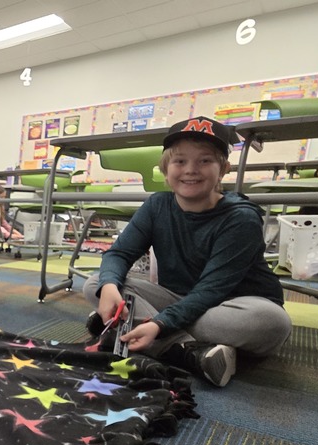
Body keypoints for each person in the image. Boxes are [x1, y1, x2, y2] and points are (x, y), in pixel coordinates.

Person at [82, 116, 292, 387]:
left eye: (205, 161)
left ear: (224, 168)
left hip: (234, 304)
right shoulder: (157, 205)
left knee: (271, 323)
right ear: (166, 169)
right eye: (180, 161)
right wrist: (110, 286)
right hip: (179, 298)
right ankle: (188, 351)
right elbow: (119, 254)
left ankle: (133, 331)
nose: (191, 170)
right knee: (96, 283)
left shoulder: (240, 218)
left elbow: (211, 290)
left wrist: (160, 323)